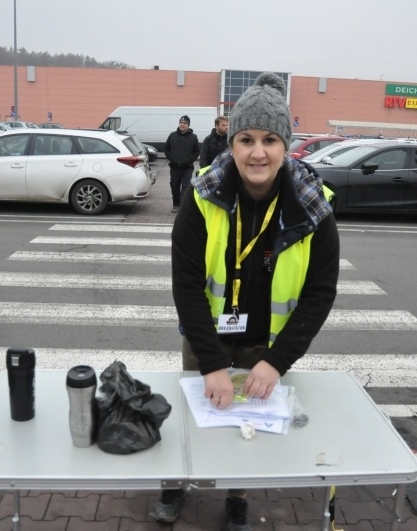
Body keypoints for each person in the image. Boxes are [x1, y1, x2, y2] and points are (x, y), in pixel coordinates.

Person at [155, 73, 340, 530]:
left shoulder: (313, 208)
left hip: (267, 345)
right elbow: (187, 286)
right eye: (246, 139)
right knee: (194, 415)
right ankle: (175, 482)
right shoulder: (201, 200)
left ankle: (236, 493)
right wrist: (212, 364)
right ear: (230, 142)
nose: (258, 152)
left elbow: (319, 293)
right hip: (206, 337)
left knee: (246, 428)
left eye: (270, 140)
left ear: (286, 145)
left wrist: (276, 362)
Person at [163, 114, 200, 213]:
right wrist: (171, 158)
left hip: (187, 167)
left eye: (185, 123)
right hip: (175, 167)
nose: (182, 124)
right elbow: (166, 149)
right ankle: (176, 204)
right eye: (181, 123)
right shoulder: (172, 136)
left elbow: (197, 151)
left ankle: (183, 206)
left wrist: (190, 160)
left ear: (188, 125)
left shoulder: (193, 137)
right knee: (174, 186)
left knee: (185, 187)